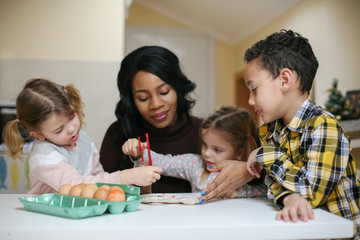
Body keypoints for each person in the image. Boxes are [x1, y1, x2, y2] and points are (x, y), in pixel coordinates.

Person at [243, 29, 360, 238]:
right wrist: (287, 197)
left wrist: (265, 153)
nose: (251, 101)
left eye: (254, 89)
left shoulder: (324, 126)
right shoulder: (269, 131)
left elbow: (311, 192)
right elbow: (273, 182)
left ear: (285, 80)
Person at [2, 78, 162, 195]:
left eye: (72, 116)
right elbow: (74, 186)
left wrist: (135, 166)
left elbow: (97, 178)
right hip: (49, 219)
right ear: (38, 134)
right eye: (59, 130)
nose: (72, 129)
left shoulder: (83, 139)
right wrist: (125, 176)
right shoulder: (44, 155)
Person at [99, 45, 203, 193]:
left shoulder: (204, 132)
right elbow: (101, 189)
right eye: (143, 98)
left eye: (164, 92)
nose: (155, 104)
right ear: (131, 100)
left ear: (178, 88)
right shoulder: (118, 133)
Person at [122, 105, 267, 199]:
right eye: (204, 144)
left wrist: (239, 193)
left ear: (239, 153)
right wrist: (140, 153)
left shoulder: (250, 173)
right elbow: (163, 162)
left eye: (217, 149)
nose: (207, 153)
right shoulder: (195, 164)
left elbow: (268, 192)